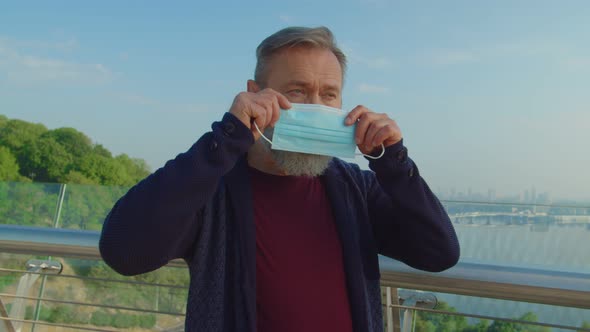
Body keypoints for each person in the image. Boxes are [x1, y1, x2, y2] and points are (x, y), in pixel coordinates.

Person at [99, 26, 459, 332]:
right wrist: (224, 140)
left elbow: (438, 252)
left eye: (329, 94)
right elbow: (125, 252)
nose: (316, 105)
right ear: (256, 93)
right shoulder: (212, 188)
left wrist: (393, 162)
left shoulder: (356, 188)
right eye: (297, 91)